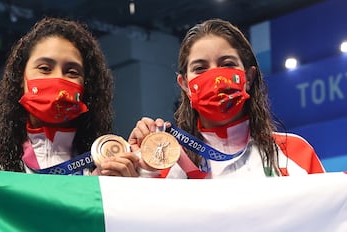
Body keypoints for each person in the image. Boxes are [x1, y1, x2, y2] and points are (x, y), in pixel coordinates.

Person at [129, 18, 325, 178]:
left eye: (227, 64)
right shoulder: (164, 158)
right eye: (200, 69)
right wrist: (145, 168)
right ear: (185, 85)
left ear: (248, 77)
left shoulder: (294, 152)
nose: (215, 78)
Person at [0, 17, 139, 177]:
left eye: (72, 72)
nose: (58, 79)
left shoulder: (110, 162)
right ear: (20, 79)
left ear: (87, 87)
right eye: (45, 68)